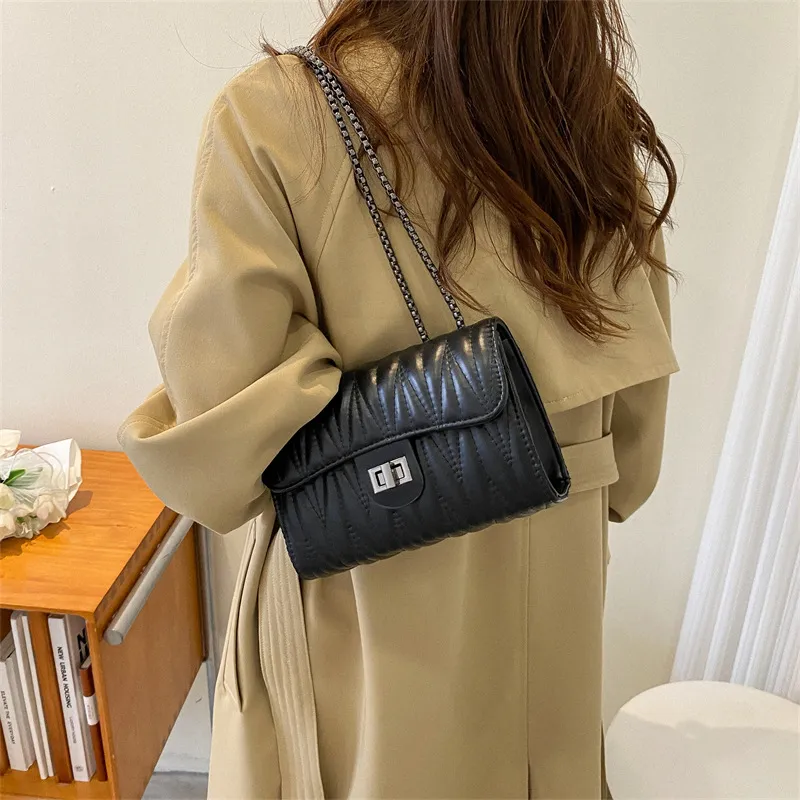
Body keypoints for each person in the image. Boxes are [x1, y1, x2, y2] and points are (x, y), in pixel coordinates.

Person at [120, 1, 679, 797]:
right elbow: (632, 464)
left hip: (362, 596)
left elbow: (222, 458)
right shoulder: (588, 116)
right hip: (556, 592)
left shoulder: (279, 115)